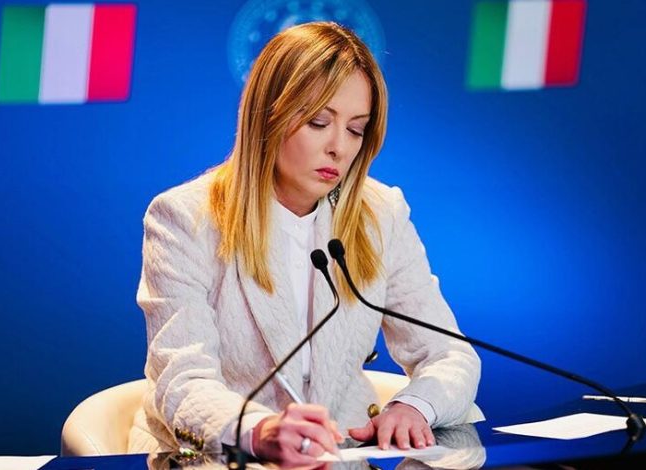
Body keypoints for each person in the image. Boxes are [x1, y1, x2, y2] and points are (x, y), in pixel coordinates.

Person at [127, 21, 481, 467]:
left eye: (356, 130)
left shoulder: (380, 214)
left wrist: (415, 406)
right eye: (319, 122)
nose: (339, 148)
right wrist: (259, 430)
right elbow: (182, 380)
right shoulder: (185, 218)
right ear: (268, 115)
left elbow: (447, 353)